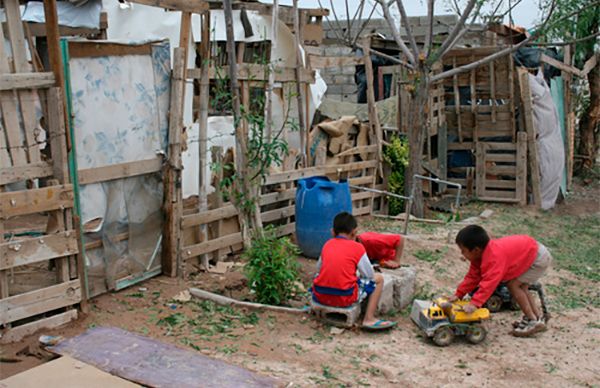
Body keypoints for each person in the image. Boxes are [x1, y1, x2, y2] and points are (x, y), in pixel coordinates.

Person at [448, 225, 552, 337]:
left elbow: (489, 283)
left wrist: (475, 303)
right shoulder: (479, 256)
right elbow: (472, 277)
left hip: (537, 257)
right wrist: (459, 294)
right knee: (522, 287)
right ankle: (537, 319)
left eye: (463, 251)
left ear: (476, 250)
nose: (462, 254)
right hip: (531, 252)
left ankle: (532, 320)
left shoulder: (493, 258)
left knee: (514, 286)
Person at [312, 212, 396, 330]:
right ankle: (369, 318)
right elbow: (369, 275)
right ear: (354, 233)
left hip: (320, 295)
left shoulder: (327, 245)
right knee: (379, 279)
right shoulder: (358, 248)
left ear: (333, 232)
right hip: (345, 297)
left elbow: (318, 269)